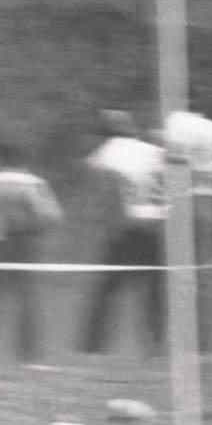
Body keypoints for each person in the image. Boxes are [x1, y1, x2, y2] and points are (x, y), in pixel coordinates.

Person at [78, 109, 169, 356]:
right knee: (153, 293)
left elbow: (102, 198)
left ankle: (93, 348)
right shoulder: (155, 151)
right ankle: (156, 346)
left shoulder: (102, 155)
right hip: (157, 227)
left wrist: (102, 227)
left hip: (125, 228)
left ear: (103, 134)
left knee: (106, 292)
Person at [0, 139, 64, 363]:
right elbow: (51, 215)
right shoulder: (33, 183)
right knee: (28, 299)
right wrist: (39, 231)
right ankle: (29, 355)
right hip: (26, 242)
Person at [161, 103, 212, 352]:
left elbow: (169, 169)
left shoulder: (175, 124)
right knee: (209, 276)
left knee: (179, 276)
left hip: (183, 205)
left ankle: (183, 342)